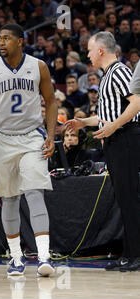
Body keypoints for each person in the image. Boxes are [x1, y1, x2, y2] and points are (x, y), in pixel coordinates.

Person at [0, 24, 58, 277]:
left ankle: (44, 257)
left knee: (34, 193)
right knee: (9, 199)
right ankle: (16, 257)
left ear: (21, 41)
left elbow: (51, 102)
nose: (1, 43)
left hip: (32, 137)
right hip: (2, 140)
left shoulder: (38, 66)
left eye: (7, 38)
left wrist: (51, 135)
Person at [65, 32, 140, 272]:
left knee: (130, 197)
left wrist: (114, 127)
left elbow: (137, 103)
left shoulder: (119, 71)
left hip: (126, 137)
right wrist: (83, 122)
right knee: (124, 199)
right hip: (116, 138)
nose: (87, 54)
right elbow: (108, 115)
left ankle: (136, 255)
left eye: (89, 50)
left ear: (100, 50)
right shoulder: (107, 75)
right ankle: (129, 253)